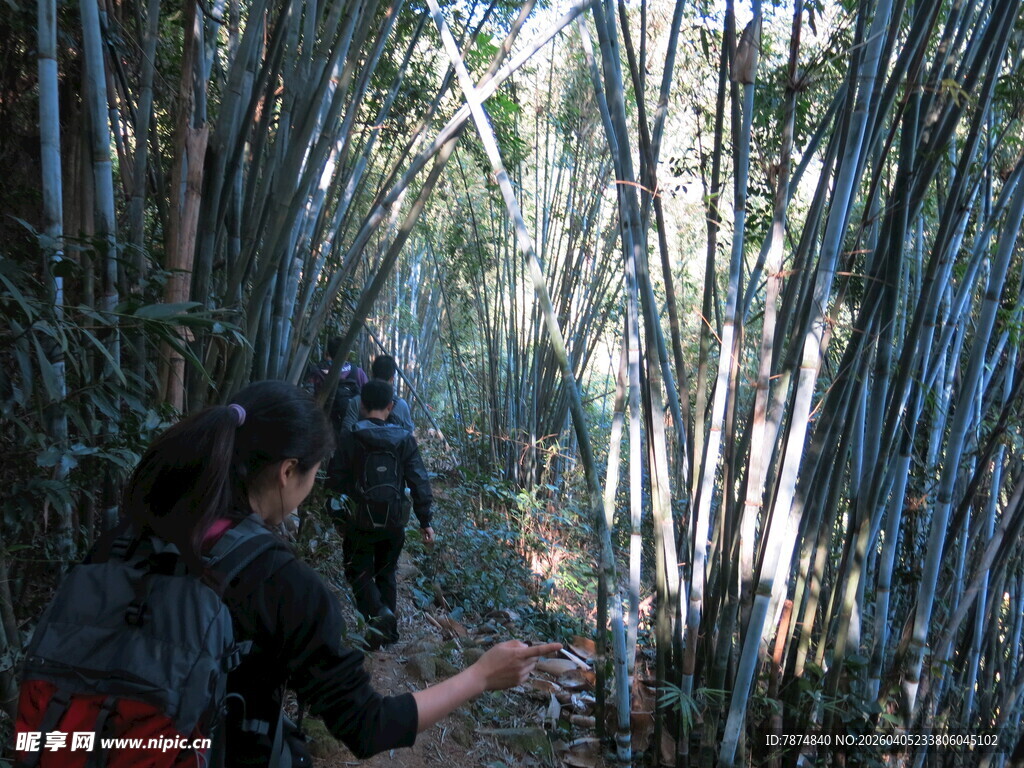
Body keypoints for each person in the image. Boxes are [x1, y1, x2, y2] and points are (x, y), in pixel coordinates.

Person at [86, 381, 559, 766]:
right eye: (312, 473)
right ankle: (386, 618)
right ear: (288, 472)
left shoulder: (119, 541)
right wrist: (480, 675)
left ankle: (381, 617)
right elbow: (367, 726)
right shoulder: (281, 584)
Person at [328, 380, 431, 648]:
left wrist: (338, 518)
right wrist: (425, 521)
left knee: (358, 571)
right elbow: (418, 480)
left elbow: (335, 480)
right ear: (391, 406)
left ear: (361, 405)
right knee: (386, 573)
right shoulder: (404, 439)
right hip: (393, 519)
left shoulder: (351, 436)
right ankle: (388, 633)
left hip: (358, 519)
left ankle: (377, 621)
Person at [341, 354, 414, 432]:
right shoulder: (401, 405)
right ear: (392, 378)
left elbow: (347, 431)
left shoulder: (357, 401)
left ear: (372, 374)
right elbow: (408, 433)